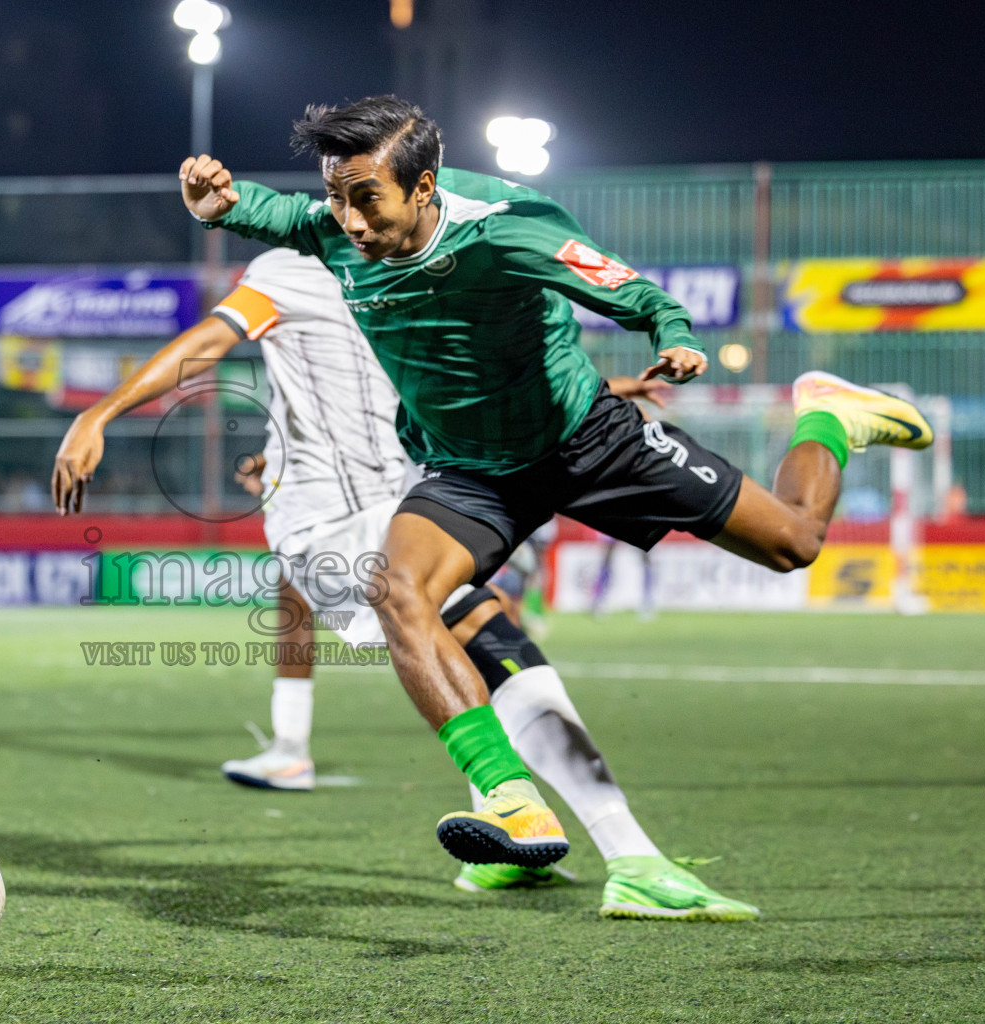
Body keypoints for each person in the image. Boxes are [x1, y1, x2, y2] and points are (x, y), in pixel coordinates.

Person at [178, 95, 932, 877]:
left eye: (366, 198)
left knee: (794, 543)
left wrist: (674, 336)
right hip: (471, 470)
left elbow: (632, 290)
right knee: (398, 590)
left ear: (424, 186)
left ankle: (829, 417)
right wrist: (218, 206)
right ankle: (511, 798)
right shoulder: (336, 228)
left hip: (585, 442)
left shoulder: (506, 227)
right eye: (336, 197)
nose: (349, 221)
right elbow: (278, 214)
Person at [53, 247, 758, 919]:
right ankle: (624, 855)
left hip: (399, 497)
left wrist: (593, 392)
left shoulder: (412, 272)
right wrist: (99, 412)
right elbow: (209, 342)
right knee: (484, 629)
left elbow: (444, 380)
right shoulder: (292, 268)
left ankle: (523, 842)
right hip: (330, 521)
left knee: (489, 634)